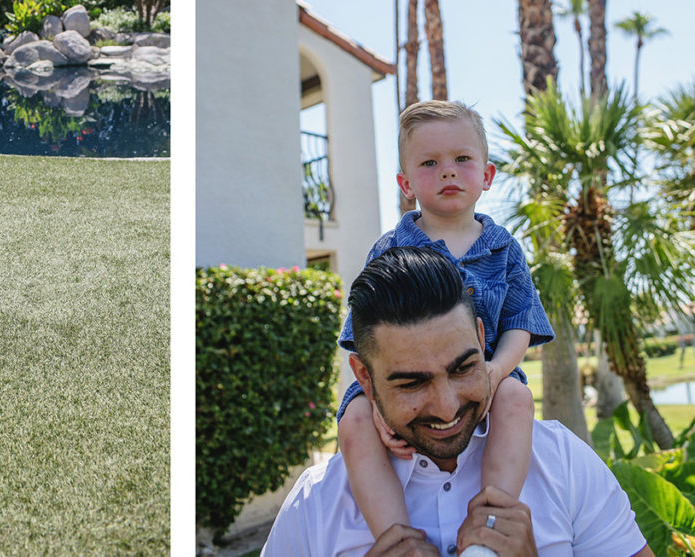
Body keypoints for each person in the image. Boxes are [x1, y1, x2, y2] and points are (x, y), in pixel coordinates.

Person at [262, 247, 651, 556]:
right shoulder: (315, 503)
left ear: (482, 338)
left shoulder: (563, 461)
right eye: (412, 384)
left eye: (463, 367)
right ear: (364, 376)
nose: (447, 407)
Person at [336, 100, 554, 542]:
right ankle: (398, 538)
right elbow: (364, 337)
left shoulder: (503, 248)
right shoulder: (391, 248)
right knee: (353, 422)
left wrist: (497, 369)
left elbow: (520, 321)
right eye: (430, 163)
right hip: (401, 381)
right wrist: (379, 404)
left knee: (516, 400)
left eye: (462, 159)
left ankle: (493, 521)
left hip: (484, 376)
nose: (448, 172)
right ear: (406, 183)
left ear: (487, 175)